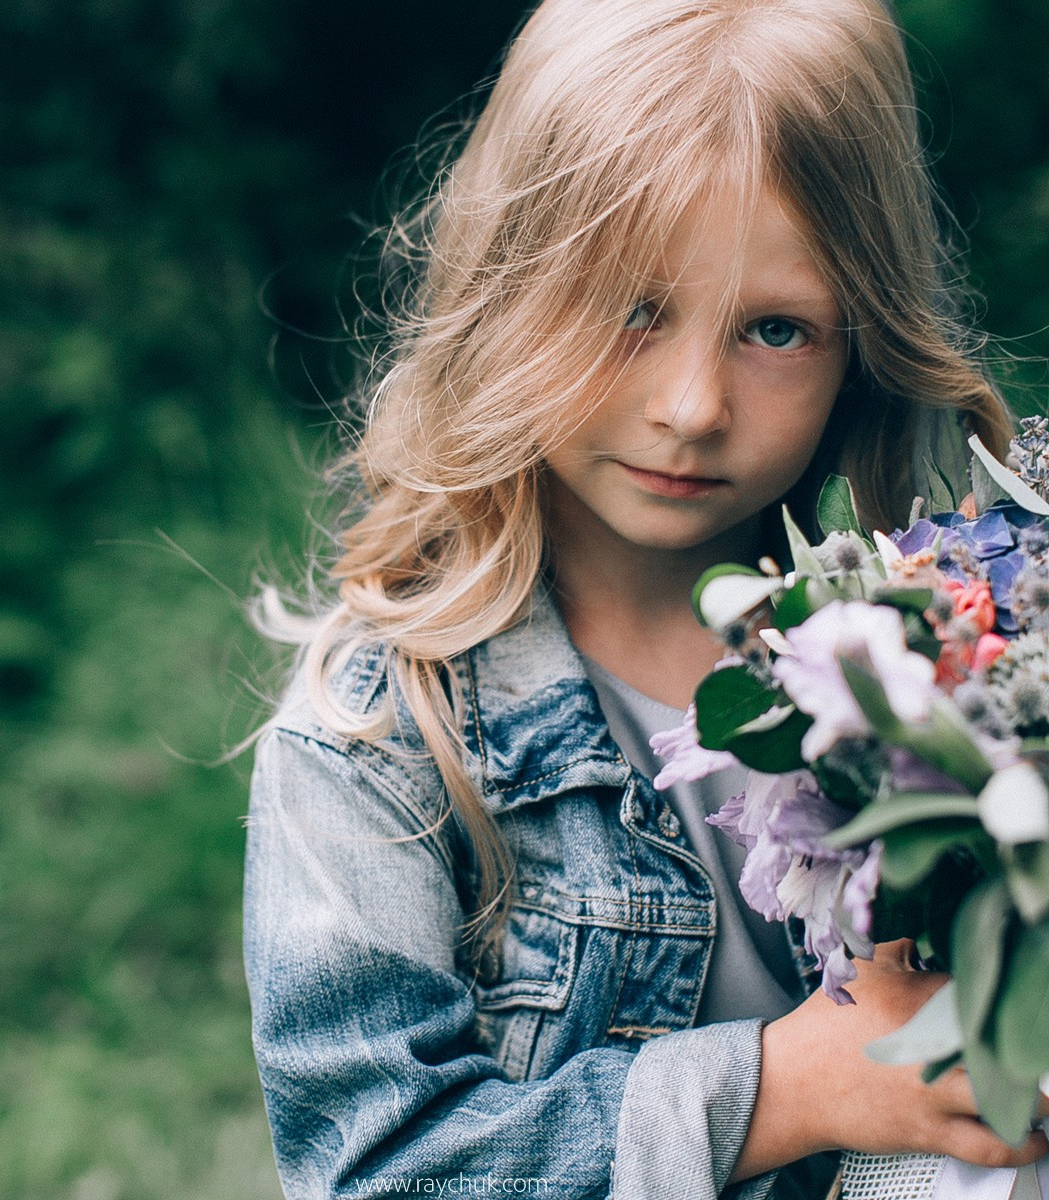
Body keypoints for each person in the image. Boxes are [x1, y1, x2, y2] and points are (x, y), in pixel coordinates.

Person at [242, 0, 1048, 1196]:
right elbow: (378, 1166)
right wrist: (783, 1089)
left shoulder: (963, 639)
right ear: (504, 291)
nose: (690, 406)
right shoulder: (378, 739)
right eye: (630, 307)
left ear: (867, 339)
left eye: (776, 329)